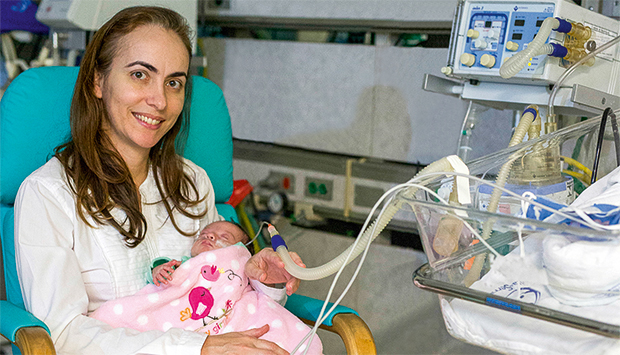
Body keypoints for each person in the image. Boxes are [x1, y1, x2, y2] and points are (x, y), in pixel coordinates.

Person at [14, 6, 304, 354]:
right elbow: (61, 336)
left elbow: (229, 297)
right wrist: (197, 349)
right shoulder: (48, 195)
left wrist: (266, 281)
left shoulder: (193, 184)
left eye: (174, 83)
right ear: (98, 81)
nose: (159, 101)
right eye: (139, 75)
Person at [90, 221, 323, 354]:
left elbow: (268, 298)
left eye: (223, 236)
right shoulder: (185, 265)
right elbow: (162, 273)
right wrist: (160, 270)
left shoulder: (242, 265)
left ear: (242, 248)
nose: (210, 237)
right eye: (205, 234)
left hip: (240, 326)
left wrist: (268, 278)